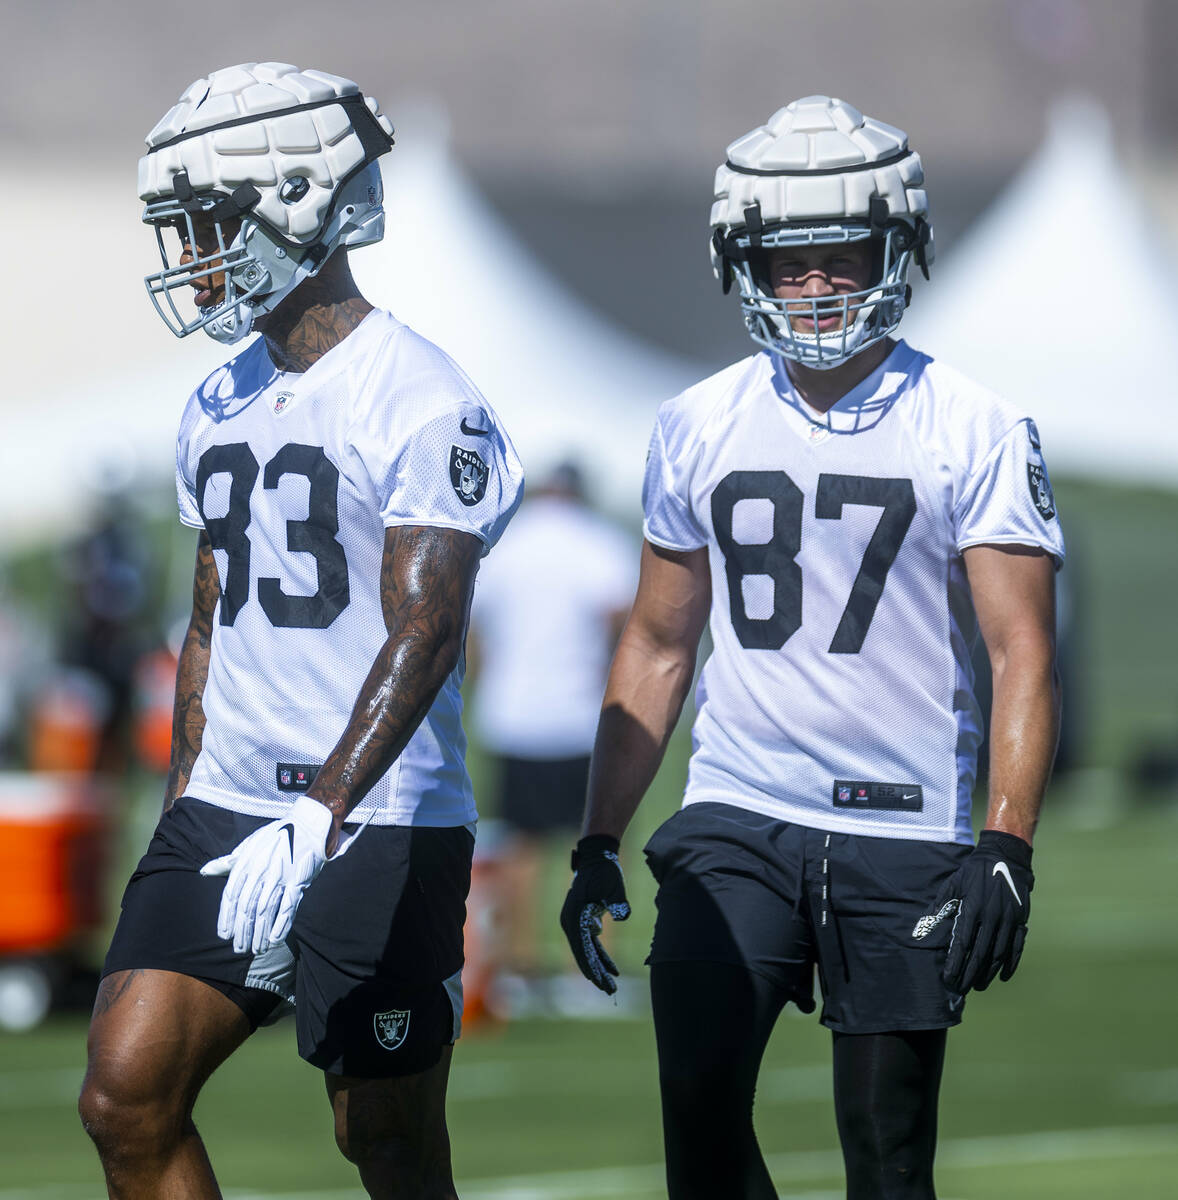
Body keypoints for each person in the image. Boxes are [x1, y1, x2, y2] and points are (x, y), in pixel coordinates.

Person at [560, 96, 1063, 1200]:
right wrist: (598, 835)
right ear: (739, 263)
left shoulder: (970, 422)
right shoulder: (695, 421)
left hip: (903, 825)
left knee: (884, 1162)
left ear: (899, 245)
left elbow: (1019, 647)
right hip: (740, 810)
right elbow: (655, 640)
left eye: (843, 254)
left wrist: (1005, 845)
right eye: (786, 262)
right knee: (696, 1113)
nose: (818, 284)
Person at [78, 63, 523, 1199]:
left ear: (295, 202)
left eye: (212, 225)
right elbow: (209, 620)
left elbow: (425, 628)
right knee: (124, 1095)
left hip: (373, 817)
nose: (194, 259)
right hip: (228, 802)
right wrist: (182, 805)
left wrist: (318, 811)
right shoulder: (218, 398)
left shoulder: (423, 396)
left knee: (383, 1140)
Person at [468, 461, 635, 997]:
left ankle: (518, 965)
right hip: (580, 713)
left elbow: (475, 629)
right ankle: (587, 965)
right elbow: (621, 620)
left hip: (513, 713)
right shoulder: (599, 542)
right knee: (599, 842)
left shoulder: (506, 546)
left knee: (518, 843)